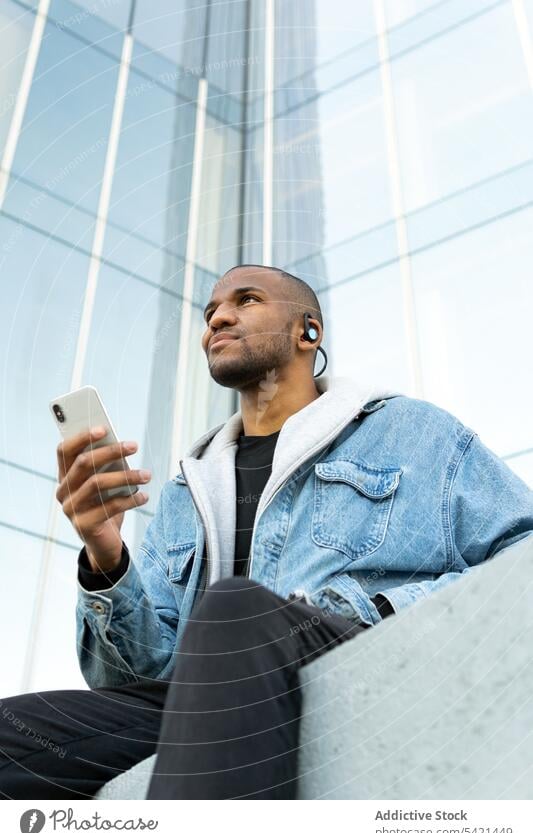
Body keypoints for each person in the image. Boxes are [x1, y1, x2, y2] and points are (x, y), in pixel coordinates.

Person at [1, 264, 532, 799]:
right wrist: (105, 552)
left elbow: (523, 549)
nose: (218, 319)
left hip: (340, 661)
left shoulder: (411, 432)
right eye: (210, 314)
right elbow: (132, 678)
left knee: (237, 610)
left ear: (309, 332)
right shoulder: (188, 490)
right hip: (207, 702)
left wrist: (381, 613)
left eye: (246, 300)